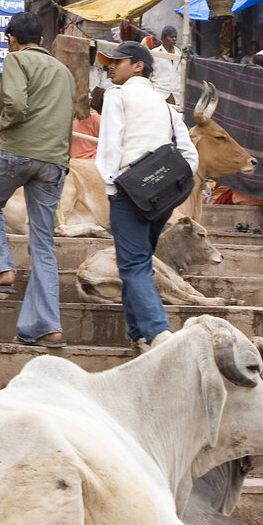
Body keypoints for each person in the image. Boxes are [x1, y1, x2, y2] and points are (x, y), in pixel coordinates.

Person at [0, 11, 75, 349]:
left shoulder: (15, 59)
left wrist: (5, 124)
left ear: (12, 39)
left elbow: (15, 104)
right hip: (54, 162)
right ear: (43, 41)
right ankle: (47, 328)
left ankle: (3, 267)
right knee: (43, 244)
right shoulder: (63, 70)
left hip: (19, 153)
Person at [94, 40, 199, 353]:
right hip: (163, 196)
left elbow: (110, 144)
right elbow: (189, 155)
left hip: (130, 192)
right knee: (139, 261)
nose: (110, 66)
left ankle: (159, 332)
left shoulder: (117, 96)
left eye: (117, 61)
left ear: (138, 66)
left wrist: (112, 186)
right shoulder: (166, 106)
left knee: (133, 265)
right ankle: (138, 331)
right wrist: (172, 182)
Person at [151, 25, 184, 106]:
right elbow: (149, 75)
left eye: (175, 37)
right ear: (163, 38)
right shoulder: (154, 54)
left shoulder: (180, 54)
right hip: (160, 94)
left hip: (177, 96)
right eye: (171, 37)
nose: (174, 39)